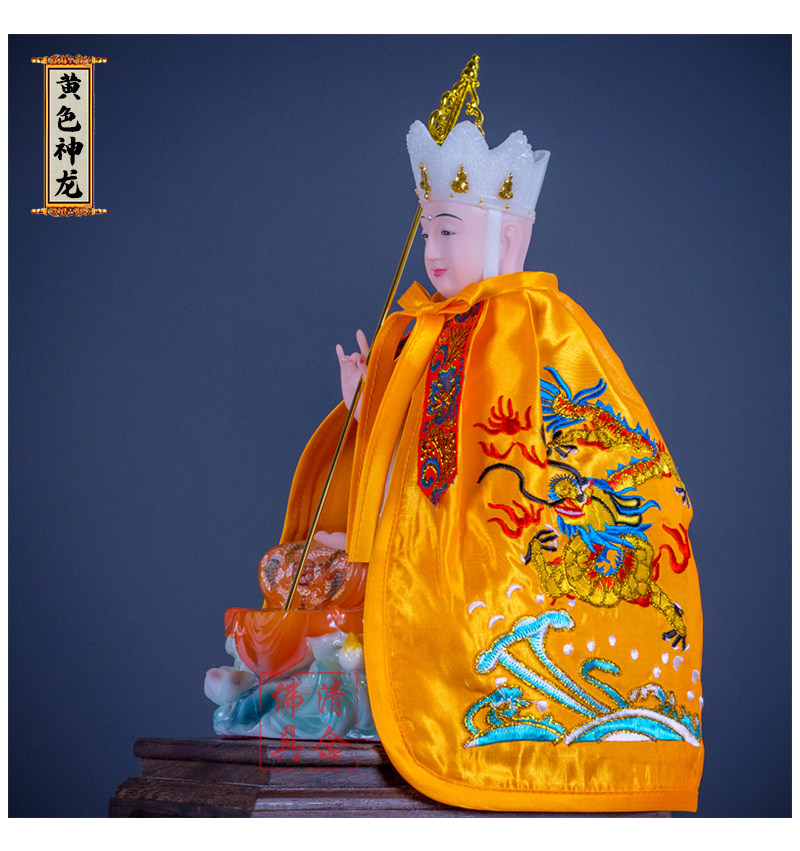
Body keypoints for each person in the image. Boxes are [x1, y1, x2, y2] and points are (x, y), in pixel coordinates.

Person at [279, 118, 704, 812]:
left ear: (509, 238)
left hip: (505, 547)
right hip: (427, 540)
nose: (432, 252)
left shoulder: (544, 335)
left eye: (449, 231)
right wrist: (366, 407)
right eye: (426, 232)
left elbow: (565, 456)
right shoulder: (423, 331)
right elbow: (415, 466)